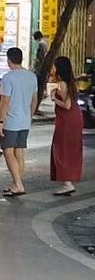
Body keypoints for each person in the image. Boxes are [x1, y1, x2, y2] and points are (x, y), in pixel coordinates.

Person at [0, 47, 38, 197]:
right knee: (19, 152)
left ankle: (18, 184)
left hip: (11, 121)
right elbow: (34, 100)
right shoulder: (31, 76)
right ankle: (16, 183)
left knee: (8, 151)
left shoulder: (9, 77)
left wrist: (0, 120)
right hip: (25, 120)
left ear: (8, 60)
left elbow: (4, 101)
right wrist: (30, 115)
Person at [50, 56, 83, 196]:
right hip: (74, 118)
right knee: (69, 149)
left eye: (54, 66)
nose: (52, 69)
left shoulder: (63, 83)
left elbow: (67, 105)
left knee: (62, 149)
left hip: (67, 120)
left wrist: (54, 99)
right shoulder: (70, 82)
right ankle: (68, 180)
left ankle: (67, 183)